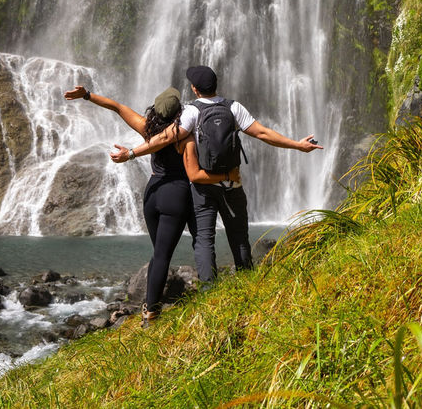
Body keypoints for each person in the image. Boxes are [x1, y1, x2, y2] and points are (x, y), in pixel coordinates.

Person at [110, 66, 323, 284]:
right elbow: (262, 133)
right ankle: (248, 283)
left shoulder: (191, 112)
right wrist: (297, 145)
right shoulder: (233, 107)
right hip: (232, 182)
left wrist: (131, 153)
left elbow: (165, 138)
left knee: (204, 239)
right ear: (216, 86)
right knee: (239, 235)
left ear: (194, 89)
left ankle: (208, 290)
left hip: (204, 186)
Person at [64, 83, 239, 325]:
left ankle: (151, 309)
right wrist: (228, 175)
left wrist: (86, 95)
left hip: (152, 195)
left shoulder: (148, 130)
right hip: (175, 196)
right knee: (182, 248)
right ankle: (159, 311)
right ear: (179, 111)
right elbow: (195, 173)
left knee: (159, 254)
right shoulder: (184, 137)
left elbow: (117, 107)